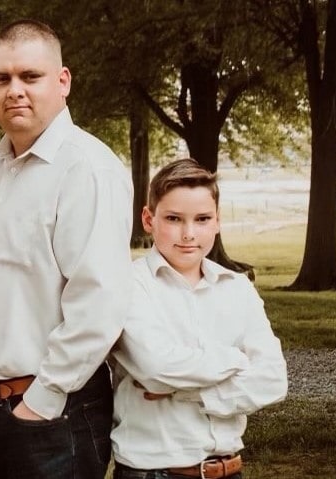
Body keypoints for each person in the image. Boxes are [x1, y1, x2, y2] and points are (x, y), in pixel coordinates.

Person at [0, 19, 133, 478]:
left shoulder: (86, 169)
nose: (14, 90)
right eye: (2, 78)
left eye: (30, 76)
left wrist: (43, 400)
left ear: (63, 81)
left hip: (53, 415)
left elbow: (99, 302)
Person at [110, 158, 288, 479]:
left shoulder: (237, 287)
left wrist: (186, 392)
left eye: (202, 219)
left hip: (229, 469)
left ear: (217, 221)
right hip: (153, 471)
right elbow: (156, 369)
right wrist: (237, 360)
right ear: (149, 219)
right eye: (174, 219)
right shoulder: (127, 284)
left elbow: (273, 380)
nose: (189, 234)